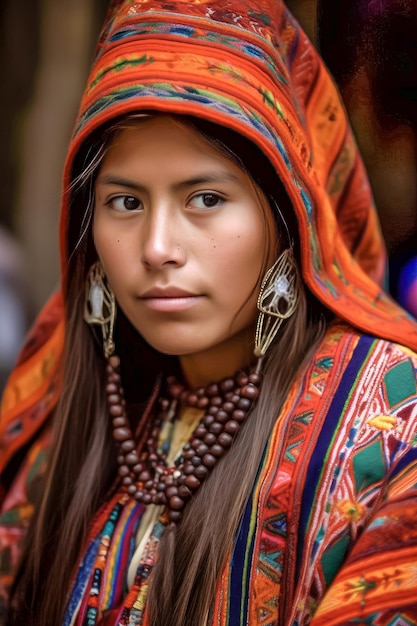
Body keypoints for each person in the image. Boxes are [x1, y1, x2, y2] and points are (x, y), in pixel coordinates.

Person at [1, 1, 417, 624]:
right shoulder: (64, 417)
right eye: (124, 202)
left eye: (205, 197)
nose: (158, 248)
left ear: (286, 222)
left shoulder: (391, 422)